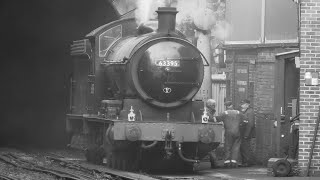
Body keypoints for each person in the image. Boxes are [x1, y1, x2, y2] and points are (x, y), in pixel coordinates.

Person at [216, 101, 245, 168]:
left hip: (228, 133)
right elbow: (246, 120)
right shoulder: (238, 112)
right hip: (237, 132)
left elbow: (217, 119)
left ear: (226, 106)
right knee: (236, 147)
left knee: (228, 147)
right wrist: (240, 125)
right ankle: (234, 163)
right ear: (232, 105)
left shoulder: (225, 113)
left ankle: (227, 163)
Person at [239, 99, 255, 167]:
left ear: (248, 105)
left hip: (246, 132)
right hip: (242, 132)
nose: (242, 105)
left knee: (246, 147)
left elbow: (250, 124)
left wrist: (246, 134)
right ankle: (244, 161)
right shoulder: (244, 111)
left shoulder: (250, 112)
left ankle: (247, 162)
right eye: (242, 104)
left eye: (243, 104)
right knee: (243, 147)